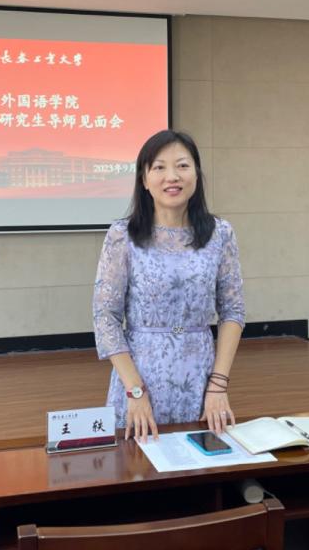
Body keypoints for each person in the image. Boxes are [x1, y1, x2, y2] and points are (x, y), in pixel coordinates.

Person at [93, 129, 245, 442]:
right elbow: (105, 317)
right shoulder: (123, 236)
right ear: (144, 179)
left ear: (196, 174)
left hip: (200, 380)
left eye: (182, 166)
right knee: (136, 463)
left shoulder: (220, 234)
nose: (172, 177)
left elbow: (233, 310)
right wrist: (135, 391)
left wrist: (218, 384)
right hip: (139, 382)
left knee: (199, 463)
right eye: (159, 167)